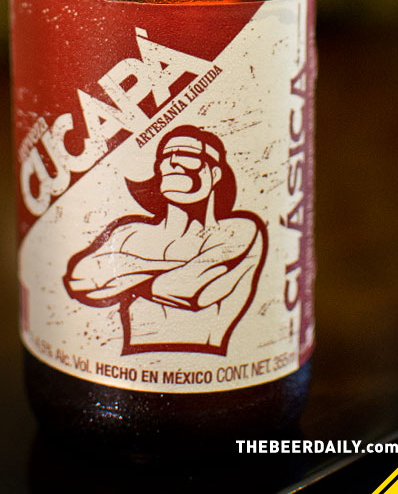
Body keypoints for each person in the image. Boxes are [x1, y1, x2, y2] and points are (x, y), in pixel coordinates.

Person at [64, 126, 267, 355]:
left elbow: (191, 290)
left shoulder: (239, 230)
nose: (173, 163)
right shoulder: (129, 232)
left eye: (187, 156)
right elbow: (79, 280)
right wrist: (176, 270)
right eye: (166, 157)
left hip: (212, 362)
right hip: (126, 365)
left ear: (215, 173)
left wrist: (120, 268)